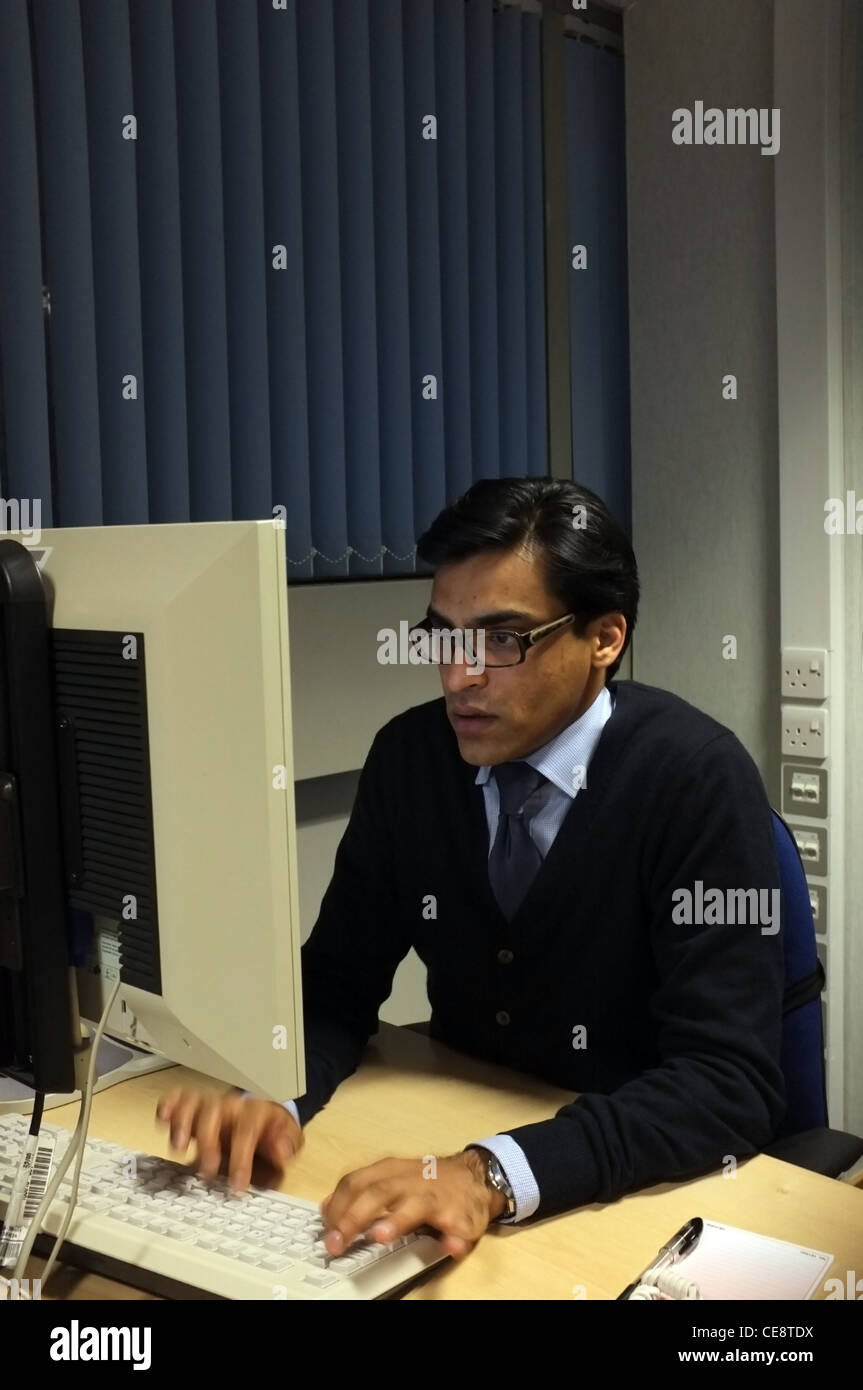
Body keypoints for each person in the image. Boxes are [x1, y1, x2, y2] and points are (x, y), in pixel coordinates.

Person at [157, 477, 785, 1262]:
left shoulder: (696, 778)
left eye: (501, 640)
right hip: (451, 1144)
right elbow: (338, 985)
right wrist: (275, 1093)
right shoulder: (410, 759)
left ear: (604, 638)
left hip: (641, 1196)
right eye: (441, 637)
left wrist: (488, 1174)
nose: (458, 677)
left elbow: (728, 1084)